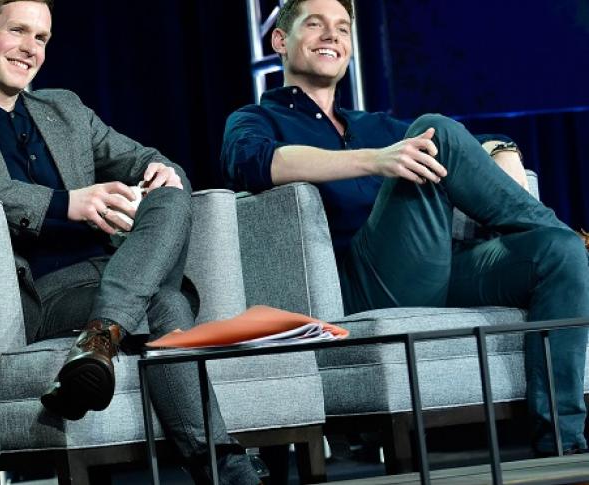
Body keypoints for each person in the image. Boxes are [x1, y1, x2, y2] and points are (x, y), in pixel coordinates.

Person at [0, 1, 262, 482]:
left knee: (173, 192)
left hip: (119, 267)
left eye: (42, 38)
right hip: (49, 292)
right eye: (18, 32)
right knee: (166, 305)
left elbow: (144, 157)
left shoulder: (64, 108)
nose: (30, 49)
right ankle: (223, 464)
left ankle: (100, 340)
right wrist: (63, 203)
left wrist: (156, 171)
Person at [221, 0, 589, 456]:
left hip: (433, 270)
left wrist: (502, 145)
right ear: (280, 40)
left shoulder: (373, 124)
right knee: (434, 130)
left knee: (557, 252)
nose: (331, 35)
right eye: (315, 25)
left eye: (341, 28)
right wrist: (376, 160)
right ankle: (574, 236)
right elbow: (253, 165)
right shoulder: (257, 119)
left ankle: (564, 439)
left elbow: (469, 150)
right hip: (360, 284)